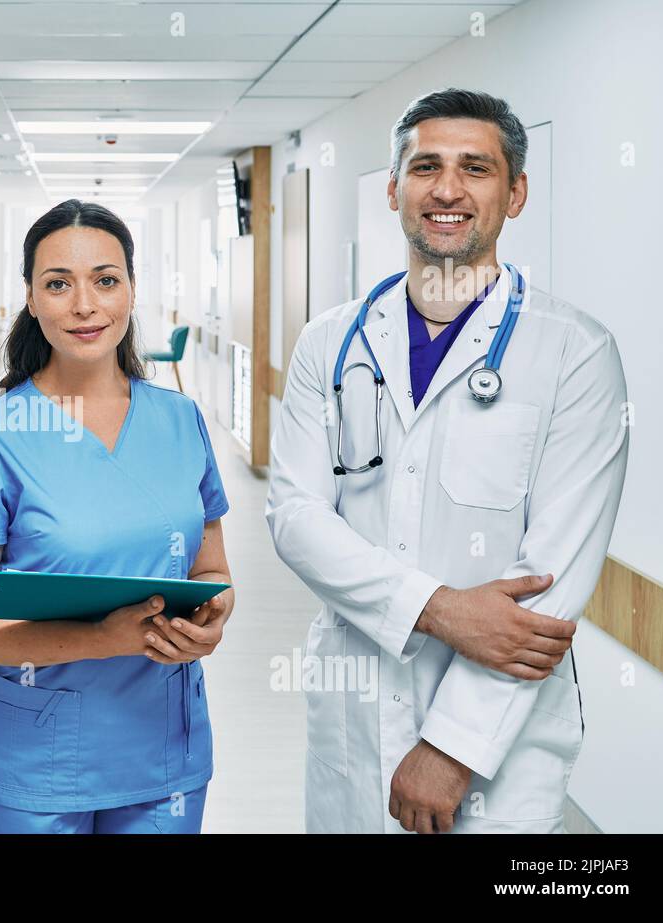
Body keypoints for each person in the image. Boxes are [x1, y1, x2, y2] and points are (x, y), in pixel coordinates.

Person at [266, 88, 629, 833]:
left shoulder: (576, 354)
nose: (448, 189)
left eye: (477, 168)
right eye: (425, 165)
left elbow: (548, 587)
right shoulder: (328, 343)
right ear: (395, 188)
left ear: (516, 192)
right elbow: (295, 518)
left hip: (500, 746)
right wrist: (441, 609)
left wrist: (450, 747)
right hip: (355, 715)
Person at [0, 199, 234, 834]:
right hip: (34, 763)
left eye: (105, 279)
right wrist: (105, 638)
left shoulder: (181, 421)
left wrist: (212, 616)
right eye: (58, 284)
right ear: (31, 301)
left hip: (164, 750)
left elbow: (211, 568)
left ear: (130, 289)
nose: (85, 305)